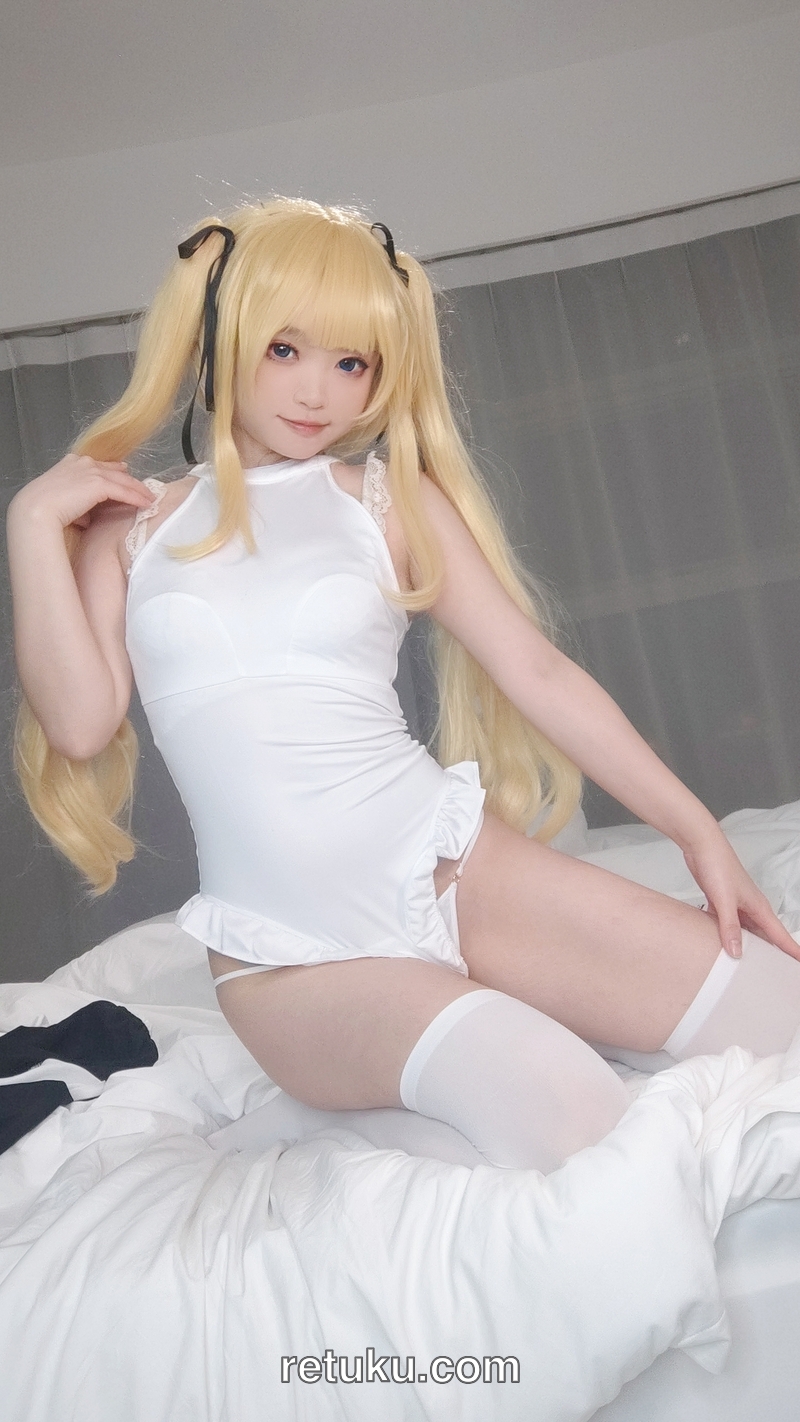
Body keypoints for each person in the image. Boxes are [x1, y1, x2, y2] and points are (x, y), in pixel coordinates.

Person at [7, 198, 800, 1174]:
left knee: (782, 1018)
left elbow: (536, 671)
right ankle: (324, 1119)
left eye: (353, 363)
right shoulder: (130, 532)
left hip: (455, 871)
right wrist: (29, 525)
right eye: (285, 350)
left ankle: (479, 1028)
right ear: (219, 337)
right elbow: (80, 722)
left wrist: (697, 833)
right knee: (571, 1111)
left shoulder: (387, 500)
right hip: (290, 957)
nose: (318, 391)